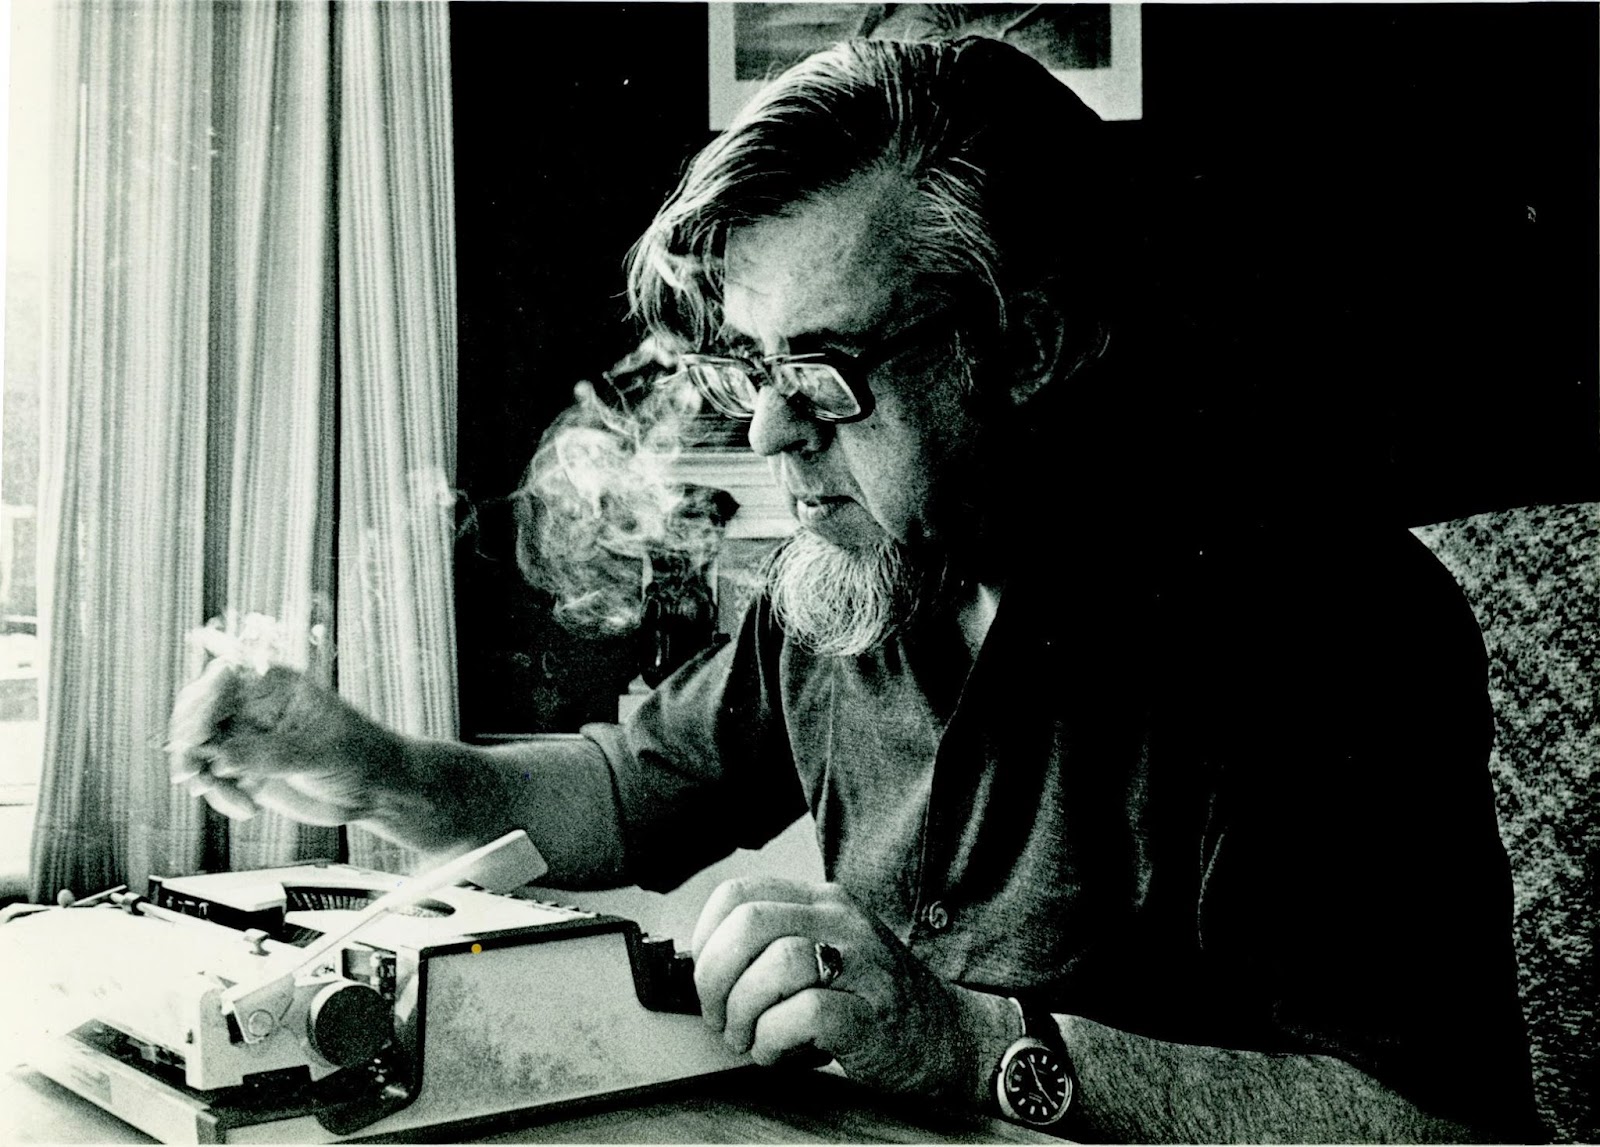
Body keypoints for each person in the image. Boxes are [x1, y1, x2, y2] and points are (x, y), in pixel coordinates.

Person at [167, 37, 1539, 1143]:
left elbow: (1441, 1128)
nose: (770, 433)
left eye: (823, 374)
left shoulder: (1321, 630)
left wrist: (964, 1044)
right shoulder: (848, 575)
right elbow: (618, 798)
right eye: (751, 369)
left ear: (1028, 344)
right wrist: (371, 770)